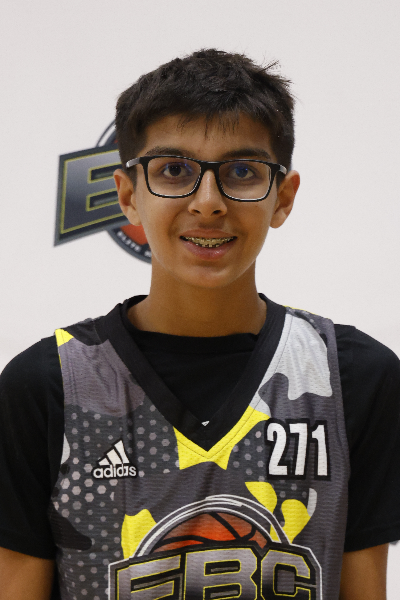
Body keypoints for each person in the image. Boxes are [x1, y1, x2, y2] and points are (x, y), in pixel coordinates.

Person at [0, 49, 399, 600]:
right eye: (174, 170)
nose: (207, 203)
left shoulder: (354, 378)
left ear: (282, 198)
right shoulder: (48, 386)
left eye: (242, 171)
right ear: (127, 195)